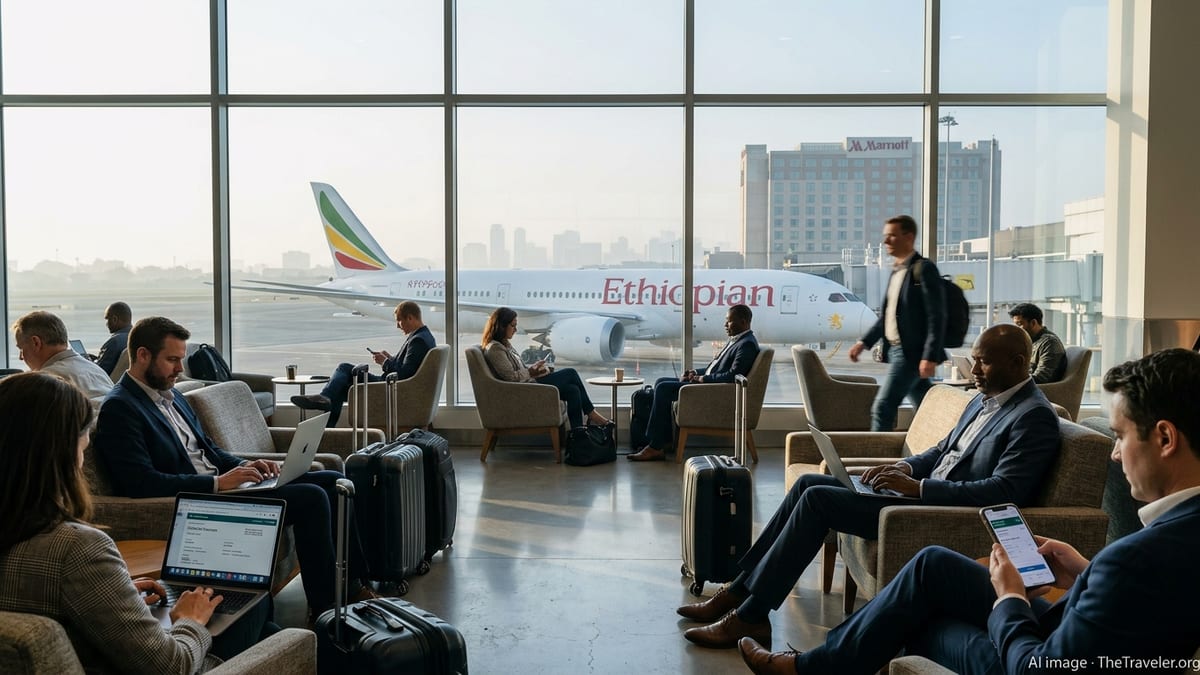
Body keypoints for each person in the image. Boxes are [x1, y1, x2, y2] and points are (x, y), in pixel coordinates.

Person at [738, 348, 1200, 675]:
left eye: (1119, 436)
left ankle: (809, 666)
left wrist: (1011, 599)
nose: (1115, 455)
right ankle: (752, 598)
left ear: (1164, 438)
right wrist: (1085, 573)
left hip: (1036, 652)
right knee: (929, 567)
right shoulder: (1162, 544)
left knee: (913, 617)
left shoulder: (1135, 557)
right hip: (1077, 633)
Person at [677, 324, 1060, 650]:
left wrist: (917, 488)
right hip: (916, 494)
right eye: (974, 358)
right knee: (811, 482)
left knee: (817, 500)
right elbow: (943, 450)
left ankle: (752, 616)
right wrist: (903, 466)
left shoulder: (1033, 417)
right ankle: (740, 591)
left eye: (984, 361)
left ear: (1018, 363)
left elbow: (1003, 493)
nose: (974, 368)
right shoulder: (982, 399)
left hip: (938, 510)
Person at [93, 316, 375, 619]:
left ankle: (355, 585)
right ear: (143, 355)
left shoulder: (172, 395)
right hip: (202, 501)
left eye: (181, 359)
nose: (180, 369)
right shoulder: (120, 408)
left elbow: (209, 449)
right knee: (311, 498)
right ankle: (324, 607)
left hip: (224, 487)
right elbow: (140, 483)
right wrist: (218, 484)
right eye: (172, 360)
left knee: (334, 480)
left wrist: (245, 465)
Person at [0, 372, 276, 673]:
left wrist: (114, 595)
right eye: (83, 441)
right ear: (63, 453)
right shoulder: (78, 549)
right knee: (254, 604)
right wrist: (189, 620)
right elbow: (172, 667)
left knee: (264, 626)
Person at [849, 215, 947, 431]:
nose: (886, 242)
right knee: (925, 404)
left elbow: (936, 315)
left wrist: (929, 356)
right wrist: (864, 343)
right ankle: (947, 444)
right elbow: (889, 317)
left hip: (910, 352)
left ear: (909, 237)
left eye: (892, 236)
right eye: (886, 236)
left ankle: (877, 462)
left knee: (883, 407)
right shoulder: (898, 271)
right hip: (895, 350)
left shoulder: (923, 269)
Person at [627, 304, 760, 462]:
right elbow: (715, 368)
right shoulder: (738, 340)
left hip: (711, 391)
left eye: (729, 321)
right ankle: (663, 442)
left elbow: (732, 376)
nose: (725, 325)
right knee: (660, 382)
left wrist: (702, 379)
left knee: (663, 389)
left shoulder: (747, 345)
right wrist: (695, 373)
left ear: (744, 322)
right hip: (709, 384)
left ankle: (655, 446)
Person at [292, 301, 436, 427]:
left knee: (344, 368)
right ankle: (327, 426)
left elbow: (403, 375)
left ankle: (325, 402)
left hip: (390, 387)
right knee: (339, 390)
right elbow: (407, 367)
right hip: (393, 385)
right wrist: (390, 358)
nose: (398, 326)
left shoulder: (418, 341)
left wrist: (385, 362)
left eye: (399, 321)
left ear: (410, 317)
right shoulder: (423, 336)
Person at [481, 307, 609, 429]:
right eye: (512, 325)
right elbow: (511, 377)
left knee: (573, 390)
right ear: (501, 326)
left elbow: (518, 370)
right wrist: (531, 372)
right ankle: (591, 414)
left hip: (527, 383)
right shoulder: (495, 349)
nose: (515, 329)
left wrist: (536, 369)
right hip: (523, 390)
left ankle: (579, 435)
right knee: (571, 373)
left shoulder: (504, 344)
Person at [11, 310, 114, 409]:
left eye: (21, 349)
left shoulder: (46, 381)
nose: (21, 357)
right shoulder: (95, 370)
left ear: (36, 343)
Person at [1008, 302, 1067, 383]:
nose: (1017, 329)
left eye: (1019, 324)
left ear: (1033, 323)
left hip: (1039, 391)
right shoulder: (1029, 341)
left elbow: (1041, 377)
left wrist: (1009, 381)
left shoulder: (1049, 342)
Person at [96, 301, 133, 375]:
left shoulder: (114, 342)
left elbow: (99, 372)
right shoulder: (137, 337)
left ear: (114, 319)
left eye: (107, 319)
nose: (106, 324)